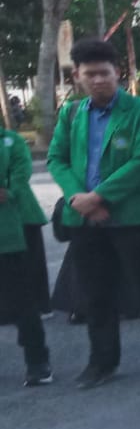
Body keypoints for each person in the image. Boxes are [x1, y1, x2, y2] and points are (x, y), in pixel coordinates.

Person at [46, 38, 140, 389]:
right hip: (84, 218)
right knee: (95, 294)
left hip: (133, 217)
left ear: (118, 73)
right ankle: (102, 363)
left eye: (104, 73)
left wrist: (98, 198)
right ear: (77, 76)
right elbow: (57, 158)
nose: (98, 80)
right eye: (90, 74)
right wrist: (77, 198)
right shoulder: (71, 113)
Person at [0, 118, 51, 386]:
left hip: (10, 233)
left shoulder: (11, 142)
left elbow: (18, 178)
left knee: (22, 301)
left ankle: (38, 362)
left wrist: (8, 191)